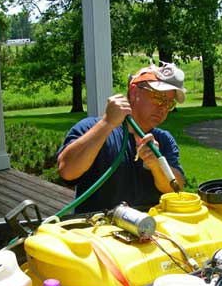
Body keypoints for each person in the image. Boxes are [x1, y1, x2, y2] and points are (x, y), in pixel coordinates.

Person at [57, 62, 186, 214]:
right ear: (133, 92)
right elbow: (67, 171)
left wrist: (156, 165)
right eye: (158, 97)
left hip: (148, 230)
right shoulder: (92, 128)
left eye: (169, 103)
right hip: (97, 230)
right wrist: (106, 123)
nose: (163, 108)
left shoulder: (163, 140)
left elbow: (176, 188)